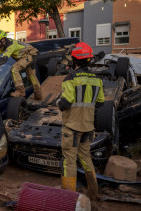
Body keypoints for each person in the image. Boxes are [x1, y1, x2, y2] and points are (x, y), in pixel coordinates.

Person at [57, 42, 105, 201]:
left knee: (69, 161)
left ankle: (68, 198)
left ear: (75, 60)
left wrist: (58, 102)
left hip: (71, 128)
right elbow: (100, 102)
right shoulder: (97, 80)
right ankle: (94, 194)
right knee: (86, 159)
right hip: (88, 127)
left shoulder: (70, 78)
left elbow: (66, 102)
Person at [0, 29, 42, 99]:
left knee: (14, 69)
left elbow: (3, 60)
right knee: (32, 77)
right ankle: (39, 97)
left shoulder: (11, 45)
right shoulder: (5, 44)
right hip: (30, 55)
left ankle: (20, 91)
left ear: (3, 39)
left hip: (30, 55)